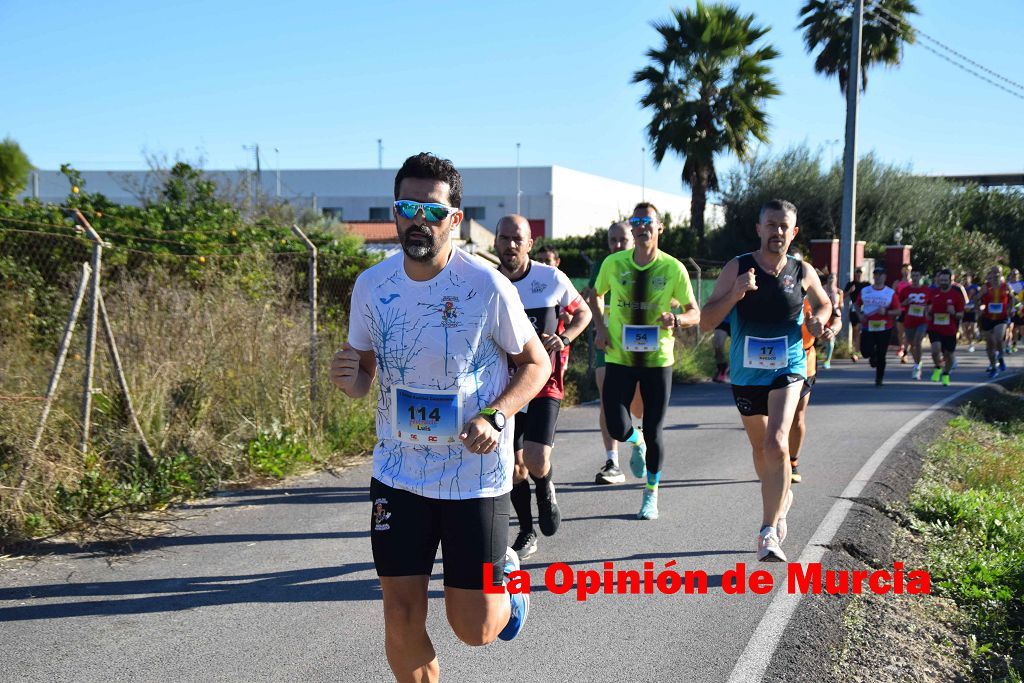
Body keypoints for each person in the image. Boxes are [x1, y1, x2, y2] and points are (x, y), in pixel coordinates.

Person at [331, 153, 551, 682]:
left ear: (454, 218)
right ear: (395, 214)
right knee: (400, 612)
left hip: (476, 476)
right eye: (407, 207)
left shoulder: (487, 286)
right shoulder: (372, 287)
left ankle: (510, 583)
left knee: (473, 628)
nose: (417, 220)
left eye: (431, 209)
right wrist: (350, 380)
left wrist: (497, 417)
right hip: (399, 472)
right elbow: (363, 375)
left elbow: (536, 364)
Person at [700, 199, 832, 562]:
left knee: (776, 442)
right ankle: (781, 496)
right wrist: (736, 292)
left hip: (789, 366)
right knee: (761, 452)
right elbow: (706, 320)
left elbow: (824, 303)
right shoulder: (737, 267)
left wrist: (820, 319)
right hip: (746, 373)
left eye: (783, 226)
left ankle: (768, 531)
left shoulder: (802, 270)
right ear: (759, 229)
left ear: (794, 232)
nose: (776, 232)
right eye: (770, 225)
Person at [591, 202, 699, 520]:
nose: (642, 227)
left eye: (647, 222)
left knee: (654, 429)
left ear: (659, 228)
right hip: (619, 356)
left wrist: (677, 319)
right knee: (616, 424)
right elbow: (595, 293)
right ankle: (633, 440)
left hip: (657, 360)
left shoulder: (673, 268)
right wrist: (599, 327)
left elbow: (695, 311)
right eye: (636, 221)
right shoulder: (614, 262)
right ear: (632, 227)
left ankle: (650, 494)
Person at [495, 215, 592, 560]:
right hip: (505, 388)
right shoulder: (488, 283)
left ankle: (546, 485)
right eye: (504, 238)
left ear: (529, 244)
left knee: (536, 460)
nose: (510, 245)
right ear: (495, 241)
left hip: (544, 382)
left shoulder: (550, 278)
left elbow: (584, 314)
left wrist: (564, 338)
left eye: (517, 239)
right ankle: (525, 531)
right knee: (513, 467)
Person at [584, 221, 644, 485]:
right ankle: (613, 462)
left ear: (633, 240)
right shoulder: (603, 266)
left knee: (638, 405)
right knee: (608, 399)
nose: (617, 245)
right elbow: (592, 295)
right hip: (608, 342)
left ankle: (638, 437)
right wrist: (599, 327)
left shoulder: (647, 263)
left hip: (642, 343)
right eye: (613, 240)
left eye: (622, 240)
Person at [789, 279, 843, 484]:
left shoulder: (816, 298)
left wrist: (831, 330)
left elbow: (836, 318)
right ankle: (776, 458)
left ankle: (793, 462)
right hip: (772, 362)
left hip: (804, 361)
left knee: (797, 417)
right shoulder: (771, 291)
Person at [855, 267, 902, 386]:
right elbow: (856, 304)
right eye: (876, 274)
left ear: (885, 277)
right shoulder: (865, 291)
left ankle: (879, 379)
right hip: (868, 326)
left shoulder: (890, 293)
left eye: (881, 275)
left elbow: (898, 311)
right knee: (865, 352)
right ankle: (872, 355)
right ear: (873, 276)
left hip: (885, 327)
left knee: (882, 354)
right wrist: (860, 315)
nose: (878, 277)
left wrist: (886, 312)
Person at [927, 268, 966, 386]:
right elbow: (927, 307)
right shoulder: (933, 293)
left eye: (945, 280)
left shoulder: (956, 295)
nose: (943, 282)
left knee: (948, 355)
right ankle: (938, 367)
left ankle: (946, 374)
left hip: (950, 330)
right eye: (941, 280)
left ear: (950, 280)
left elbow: (961, 314)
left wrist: (953, 312)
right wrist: (927, 312)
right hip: (934, 328)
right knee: (935, 351)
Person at [900, 267, 932, 380]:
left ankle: (917, 367)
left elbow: (931, 304)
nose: (915, 278)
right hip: (909, 320)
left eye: (917, 276)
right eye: (913, 276)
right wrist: (905, 302)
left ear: (921, 277)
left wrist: (927, 309)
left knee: (917, 341)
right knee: (912, 344)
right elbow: (899, 304)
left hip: (922, 321)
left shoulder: (926, 290)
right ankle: (918, 362)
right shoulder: (905, 290)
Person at [980, 268, 1010, 377]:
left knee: (998, 338)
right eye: (994, 273)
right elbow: (977, 298)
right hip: (987, 318)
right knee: (990, 345)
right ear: (990, 274)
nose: (996, 275)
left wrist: (1010, 309)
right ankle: (993, 367)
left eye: (998, 273)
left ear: (1001, 274)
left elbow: (1012, 298)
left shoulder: (1006, 286)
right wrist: (978, 309)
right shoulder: (985, 287)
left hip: (1001, 318)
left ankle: (1001, 356)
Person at [819, 272, 843, 369]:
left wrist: (838, 309)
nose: (831, 280)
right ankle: (819, 354)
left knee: (830, 337)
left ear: (836, 279)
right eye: (830, 278)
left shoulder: (839, 292)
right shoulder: (821, 289)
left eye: (833, 278)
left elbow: (841, 305)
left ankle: (827, 360)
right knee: (821, 336)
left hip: (834, 315)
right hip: (823, 314)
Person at [843, 268, 868, 362]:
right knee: (856, 330)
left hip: (864, 309)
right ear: (854, 273)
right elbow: (843, 296)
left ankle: (858, 350)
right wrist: (850, 291)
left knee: (861, 330)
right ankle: (856, 351)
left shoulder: (866, 285)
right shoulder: (850, 284)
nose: (858, 274)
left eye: (860, 272)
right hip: (854, 309)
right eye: (857, 272)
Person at [894, 263, 913, 363]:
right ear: (901, 271)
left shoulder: (913, 283)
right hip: (900, 309)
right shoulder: (898, 283)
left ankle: (906, 350)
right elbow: (893, 296)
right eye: (905, 270)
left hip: (910, 310)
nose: (907, 272)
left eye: (908, 270)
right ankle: (901, 347)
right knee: (900, 332)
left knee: (908, 332)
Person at [962, 273, 980, 353]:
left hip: (973, 309)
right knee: (966, 328)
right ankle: (970, 344)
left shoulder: (975, 287)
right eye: (964, 278)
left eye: (967, 278)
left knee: (972, 327)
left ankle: (976, 331)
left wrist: (979, 306)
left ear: (970, 279)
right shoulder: (961, 288)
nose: (966, 280)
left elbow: (980, 296)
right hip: (964, 310)